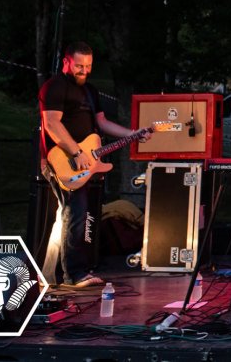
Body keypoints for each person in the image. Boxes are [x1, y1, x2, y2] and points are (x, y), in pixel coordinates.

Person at [39, 41, 148, 288]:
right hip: (61, 158)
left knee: (76, 214)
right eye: (78, 65)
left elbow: (103, 123)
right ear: (66, 61)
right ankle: (73, 275)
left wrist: (133, 133)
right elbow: (52, 124)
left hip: (84, 161)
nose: (83, 71)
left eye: (88, 66)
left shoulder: (90, 91)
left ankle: (55, 273)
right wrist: (76, 151)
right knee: (74, 213)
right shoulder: (54, 86)